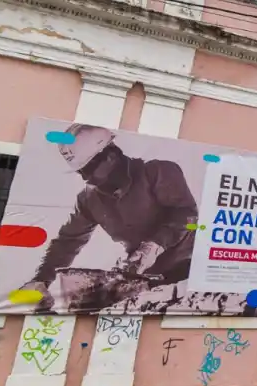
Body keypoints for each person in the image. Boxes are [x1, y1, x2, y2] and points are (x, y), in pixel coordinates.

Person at [19, 123, 199, 308]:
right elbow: (68, 241)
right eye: (80, 171)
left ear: (111, 156)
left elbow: (187, 215)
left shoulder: (158, 172)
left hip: (190, 273)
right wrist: (42, 279)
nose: (85, 178)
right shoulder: (89, 199)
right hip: (147, 283)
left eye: (88, 169)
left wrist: (155, 245)